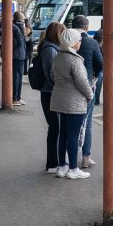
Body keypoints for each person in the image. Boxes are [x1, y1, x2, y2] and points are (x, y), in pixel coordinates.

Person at [50, 28, 94, 179]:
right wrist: (90, 94)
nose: (80, 42)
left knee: (63, 134)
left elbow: (52, 76)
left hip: (59, 99)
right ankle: (74, 169)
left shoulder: (58, 57)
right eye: (79, 40)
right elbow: (82, 82)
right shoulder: (75, 60)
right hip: (74, 102)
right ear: (73, 43)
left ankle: (62, 167)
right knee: (73, 136)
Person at [72, 15, 102, 169]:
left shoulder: (66, 40)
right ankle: (85, 157)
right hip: (87, 86)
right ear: (86, 27)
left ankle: (66, 158)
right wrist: (95, 77)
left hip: (69, 88)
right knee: (87, 123)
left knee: (68, 124)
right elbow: (100, 64)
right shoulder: (92, 42)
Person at [37, 22, 64, 172]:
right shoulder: (50, 50)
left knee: (54, 128)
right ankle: (53, 163)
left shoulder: (48, 47)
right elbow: (51, 73)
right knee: (55, 128)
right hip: (50, 92)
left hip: (48, 92)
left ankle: (54, 161)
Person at [12, 12, 28, 106]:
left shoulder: (14, 26)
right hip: (19, 54)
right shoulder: (19, 27)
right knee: (18, 77)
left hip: (16, 54)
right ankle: (16, 97)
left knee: (17, 76)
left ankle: (17, 97)